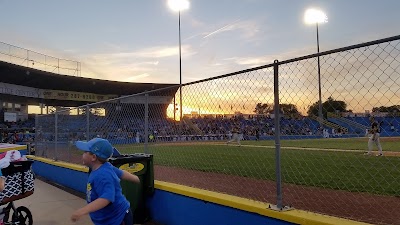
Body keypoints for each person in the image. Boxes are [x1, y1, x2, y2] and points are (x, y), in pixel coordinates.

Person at [71, 138, 140, 225]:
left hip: (118, 219)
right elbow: (121, 173)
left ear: (93, 157)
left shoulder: (103, 175)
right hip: (108, 218)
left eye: (85, 152)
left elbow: (106, 198)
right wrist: (135, 178)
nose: (82, 154)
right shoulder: (105, 166)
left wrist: (83, 211)